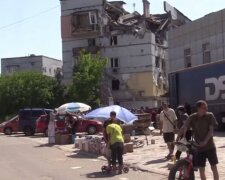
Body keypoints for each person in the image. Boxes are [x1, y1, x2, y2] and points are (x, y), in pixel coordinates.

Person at [177, 100, 219, 180]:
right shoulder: (193, 117)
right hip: (199, 149)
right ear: (198, 108)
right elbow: (184, 127)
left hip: (210, 147)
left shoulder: (210, 116)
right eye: (204, 107)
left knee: (214, 168)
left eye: (206, 107)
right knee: (201, 169)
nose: (206, 109)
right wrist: (177, 138)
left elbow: (211, 131)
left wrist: (205, 142)